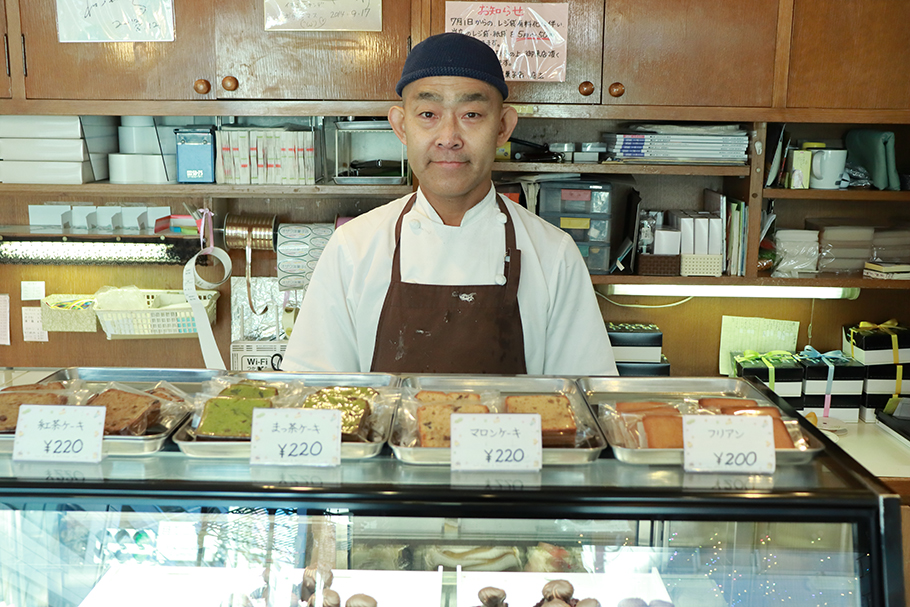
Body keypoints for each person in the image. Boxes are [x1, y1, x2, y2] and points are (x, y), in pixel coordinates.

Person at [283, 32, 616, 376]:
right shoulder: (353, 248)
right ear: (401, 126)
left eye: (471, 114)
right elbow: (313, 394)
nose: (448, 138)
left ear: (503, 127)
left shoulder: (553, 255)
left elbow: (583, 401)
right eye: (428, 113)